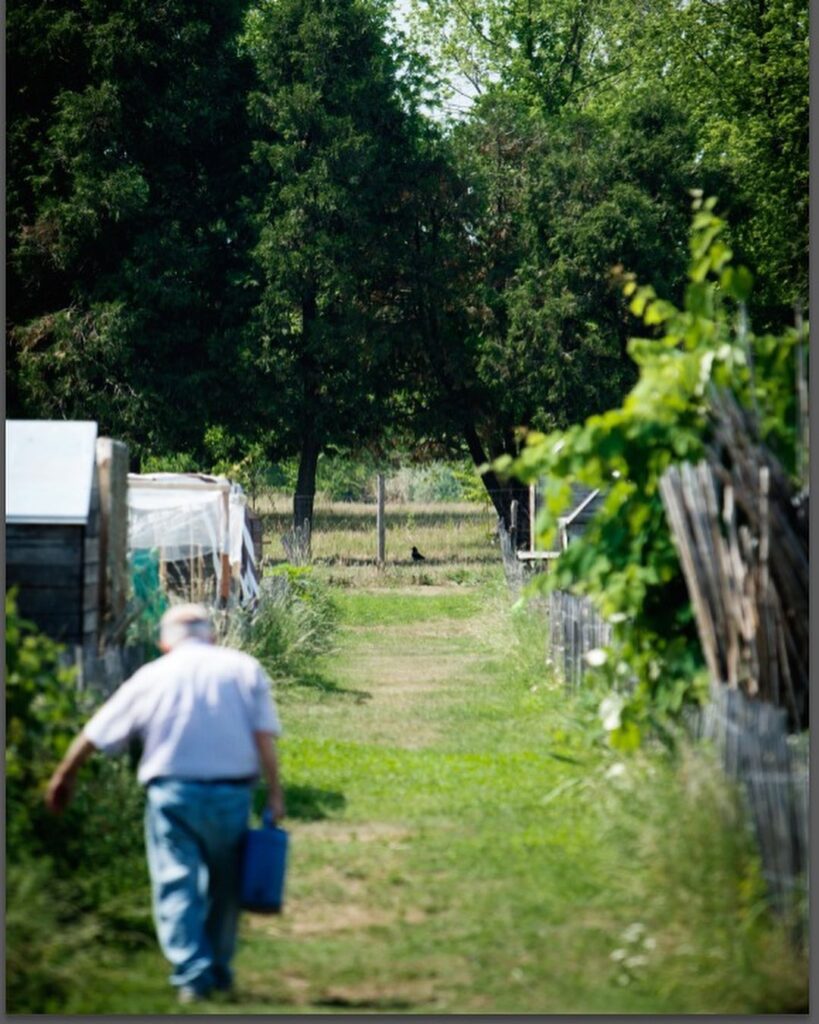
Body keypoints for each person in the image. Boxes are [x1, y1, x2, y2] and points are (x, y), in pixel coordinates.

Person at [44, 603, 285, 1005]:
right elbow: (264, 736)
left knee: (176, 881)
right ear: (212, 635)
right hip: (231, 795)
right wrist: (275, 792)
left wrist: (63, 775)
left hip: (173, 794)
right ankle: (219, 968)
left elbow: (97, 731)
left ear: (162, 642)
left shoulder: (152, 676)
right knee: (225, 887)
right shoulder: (243, 668)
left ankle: (192, 973)